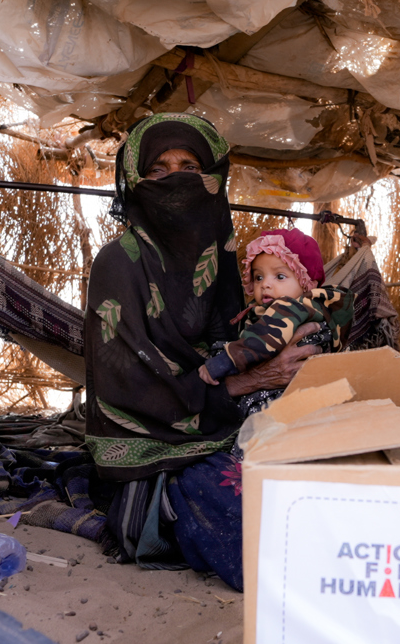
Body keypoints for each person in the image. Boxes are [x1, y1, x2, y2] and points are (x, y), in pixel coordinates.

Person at [83, 113, 320, 588]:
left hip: (232, 423)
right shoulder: (118, 263)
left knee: (326, 478)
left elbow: (244, 343)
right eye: (158, 170)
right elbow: (126, 385)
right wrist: (251, 380)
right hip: (159, 452)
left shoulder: (227, 263)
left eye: (190, 166)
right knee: (261, 514)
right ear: (135, 183)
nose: (175, 179)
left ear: (214, 179)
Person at [198, 229, 353, 419]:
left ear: (307, 284)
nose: (265, 284)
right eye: (258, 277)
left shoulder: (291, 307)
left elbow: (265, 339)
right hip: (304, 397)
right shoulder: (303, 307)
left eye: (279, 276)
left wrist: (223, 363)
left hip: (284, 398)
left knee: (259, 433)